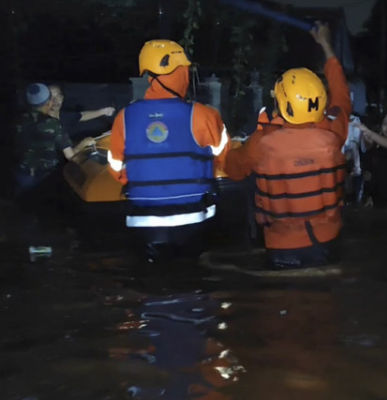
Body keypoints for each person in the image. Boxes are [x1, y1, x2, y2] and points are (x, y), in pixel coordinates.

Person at [224, 22, 351, 269]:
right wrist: (325, 45)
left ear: (282, 104)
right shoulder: (334, 131)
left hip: (281, 247)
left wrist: (236, 146)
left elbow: (233, 170)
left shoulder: (262, 142)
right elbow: (342, 96)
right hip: (327, 243)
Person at [108, 39, 230, 258]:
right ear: (181, 71)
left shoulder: (124, 117)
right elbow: (224, 160)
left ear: (148, 76)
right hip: (193, 221)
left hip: (142, 222)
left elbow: (116, 169)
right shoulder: (204, 115)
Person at [14, 82, 95, 198]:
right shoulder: (53, 124)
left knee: (22, 208)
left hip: (22, 175)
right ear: (49, 101)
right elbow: (70, 156)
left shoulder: (18, 120)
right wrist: (83, 143)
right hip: (44, 179)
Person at [48, 84, 115, 141]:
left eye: (58, 96)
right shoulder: (43, 120)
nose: (55, 101)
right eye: (51, 97)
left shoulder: (64, 117)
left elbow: (82, 115)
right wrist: (83, 144)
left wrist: (104, 111)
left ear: (62, 98)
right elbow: (69, 154)